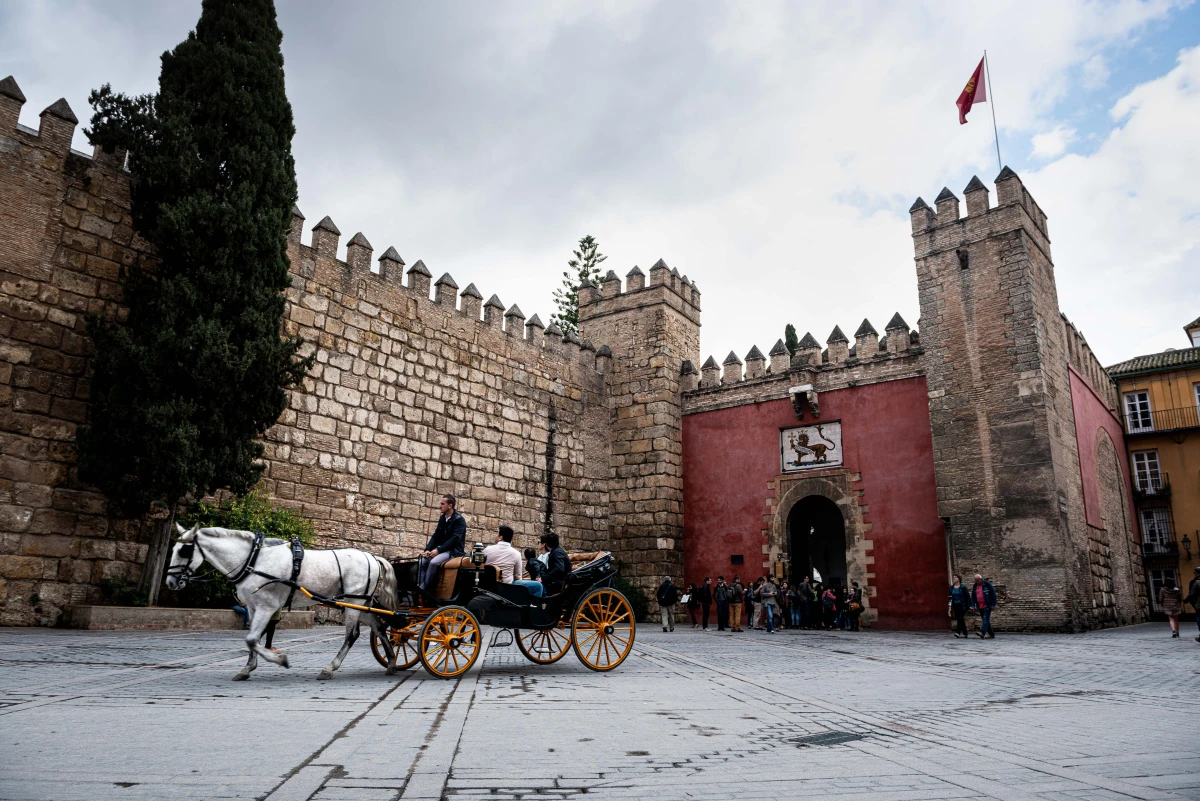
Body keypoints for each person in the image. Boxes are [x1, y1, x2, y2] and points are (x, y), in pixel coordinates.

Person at [418, 494, 467, 593]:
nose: (440, 506)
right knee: (422, 562)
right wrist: (427, 550)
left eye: (442, 504)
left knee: (433, 563)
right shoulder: (442, 518)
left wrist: (438, 550)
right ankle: (420, 587)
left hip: (452, 551)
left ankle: (423, 590)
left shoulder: (459, 520)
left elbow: (455, 539)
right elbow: (436, 536)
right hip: (440, 550)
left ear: (450, 506)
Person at [487, 526, 542, 597]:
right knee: (538, 586)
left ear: (501, 537)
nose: (495, 536)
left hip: (489, 586)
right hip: (507, 587)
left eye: (497, 534)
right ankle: (533, 606)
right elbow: (517, 576)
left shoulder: (487, 550)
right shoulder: (516, 554)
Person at [969, 573, 997, 639]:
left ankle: (982, 632)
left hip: (987, 605)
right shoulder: (975, 586)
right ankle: (991, 634)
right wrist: (972, 605)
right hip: (980, 605)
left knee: (985, 619)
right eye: (976, 580)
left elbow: (993, 594)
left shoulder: (987, 584)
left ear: (981, 579)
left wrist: (993, 604)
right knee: (985, 620)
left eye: (978, 580)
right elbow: (973, 596)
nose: (977, 581)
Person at [1188, 567, 1200, 643]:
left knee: (1199, 618)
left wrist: (1187, 600)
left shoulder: (1195, 582)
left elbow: (1192, 594)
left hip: (1198, 604)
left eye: (1194, 573)